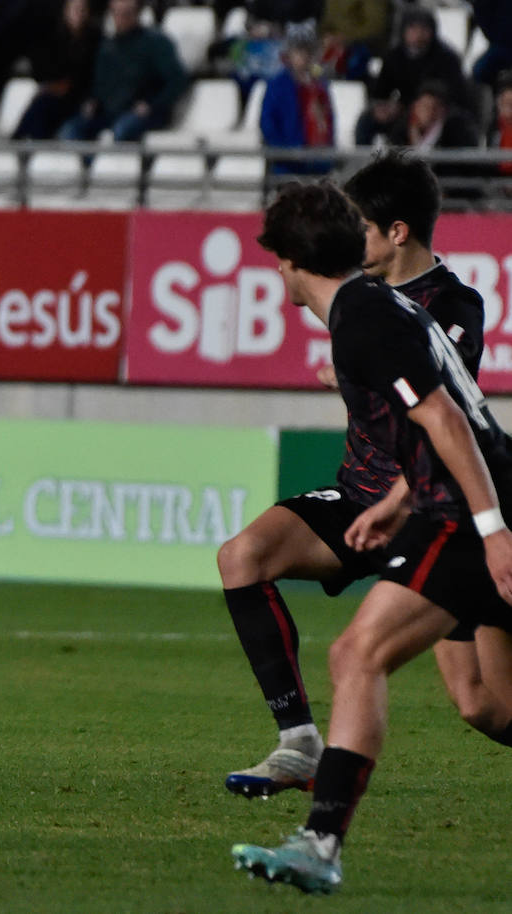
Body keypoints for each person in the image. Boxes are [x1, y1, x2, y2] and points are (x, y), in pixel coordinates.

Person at [230, 181, 512, 894]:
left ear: (294, 261)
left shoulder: (365, 321)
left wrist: (492, 529)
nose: (277, 272)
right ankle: (319, 842)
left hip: (471, 513)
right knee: (482, 702)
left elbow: (449, 423)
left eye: (278, 259)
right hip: (446, 507)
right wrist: (399, 499)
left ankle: (321, 845)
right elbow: (439, 424)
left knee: (362, 655)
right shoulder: (372, 308)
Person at [58, 0, 187, 143]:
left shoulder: (156, 42)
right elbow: (97, 84)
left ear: (137, 12)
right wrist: (92, 100)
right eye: (116, 12)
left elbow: (178, 80)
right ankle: (87, 164)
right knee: (70, 129)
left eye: (126, 13)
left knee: (122, 130)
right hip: (108, 112)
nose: (120, 17)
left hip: (142, 112)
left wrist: (152, 105)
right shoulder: (107, 46)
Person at [355, 6, 469, 148]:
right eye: (413, 28)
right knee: (367, 119)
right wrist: (385, 107)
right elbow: (381, 92)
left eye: (424, 29)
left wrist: (429, 107)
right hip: (406, 111)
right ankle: (362, 162)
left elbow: (457, 96)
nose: (418, 34)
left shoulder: (447, 58)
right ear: (403, 31)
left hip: (439, 112)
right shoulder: (394, 56)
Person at [12, 0, 101, 140]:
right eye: (75, 9)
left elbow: (90, 75)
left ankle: (19, 141)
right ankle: (21, 142)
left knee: (43, 105)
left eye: (82, 10)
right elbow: (45, 69)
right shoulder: (56, 38)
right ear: (66, 12)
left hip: (80, 99)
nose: (79, 14)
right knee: (42, 104)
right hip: (58, 97)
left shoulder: (95, 40)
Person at [259, 31, 332, 174]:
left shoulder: (319, 86)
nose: (304, 57)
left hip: (316, 158)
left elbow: (328, 119)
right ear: (290, 55)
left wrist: (326, 147)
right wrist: (285, 151)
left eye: (308, 52)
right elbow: (267, 122)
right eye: (299, 52)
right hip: (286, 160)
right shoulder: (277, 85)